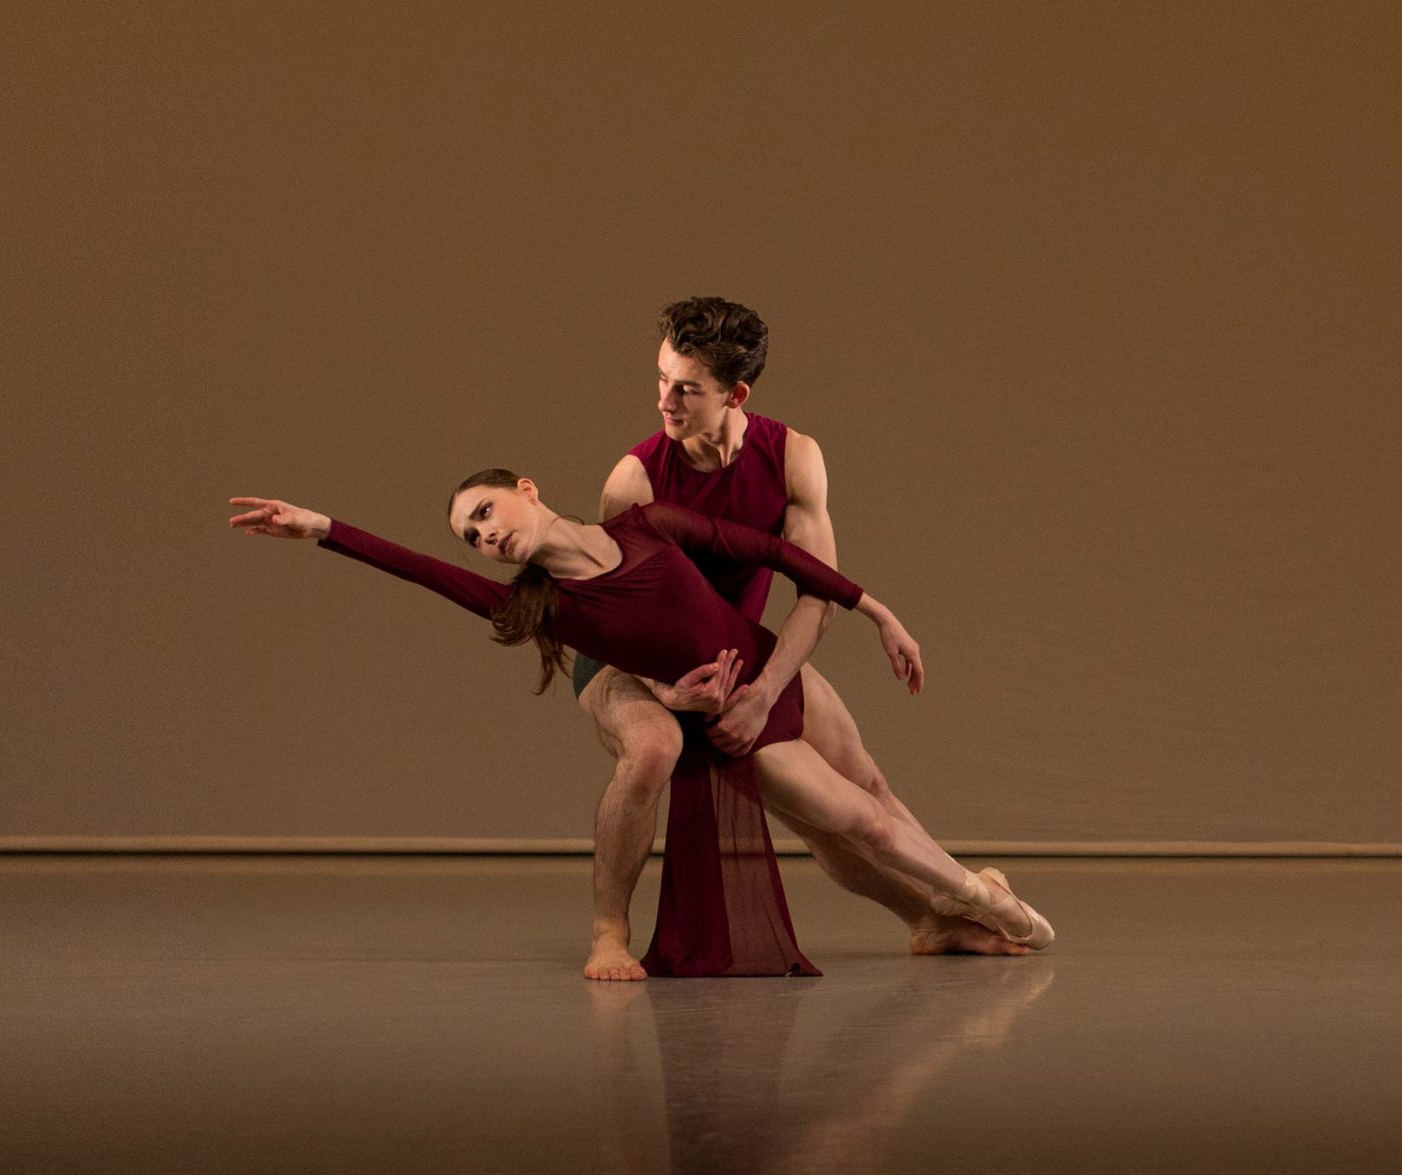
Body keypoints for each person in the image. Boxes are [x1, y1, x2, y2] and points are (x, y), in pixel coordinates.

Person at [228, 474, 1054, 976]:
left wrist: (877, 612)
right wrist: (323, 531)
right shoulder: (537, 603)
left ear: (527, 488)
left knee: (876, 790)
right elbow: (418, 572)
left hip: (774, 668)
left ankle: (934, 922)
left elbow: (771, 551)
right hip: (728, 720)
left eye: (484, 511)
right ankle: (993, 903)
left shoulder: (646, 526)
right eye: (472, 536)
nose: (483, 536)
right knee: (859, 824)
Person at [576, 298, 1016, 981]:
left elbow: (820, 589)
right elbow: (609, 609)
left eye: (686, 389)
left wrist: (763, 693)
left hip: (738, 654)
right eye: (661, 378)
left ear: (736, 393)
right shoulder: (633, 479)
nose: (664, 400)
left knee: (858, 786)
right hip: (630, 660)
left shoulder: (792, 458)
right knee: (652, 751)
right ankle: (610, 935)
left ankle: (936, 916)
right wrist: (667, 692)